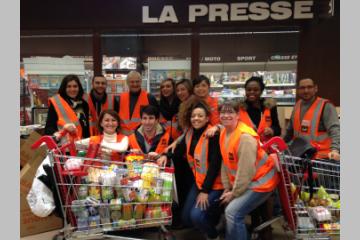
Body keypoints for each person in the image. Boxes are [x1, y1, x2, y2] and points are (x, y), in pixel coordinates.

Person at [217, 100, 279, 240]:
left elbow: (246, 172)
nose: (226, 115)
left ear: (238, 115)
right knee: (230, 212)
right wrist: (227, 188)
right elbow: (225, 162)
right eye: (223, 112)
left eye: (230, 112)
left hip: (262, 182)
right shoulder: (224, 132)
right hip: (250, 181)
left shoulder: (245, 137)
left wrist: (234, 193)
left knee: (233, 213)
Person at [173, 97, 223, 240]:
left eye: (200, 116)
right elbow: (177, 153)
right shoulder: (189, 133)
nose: (196, 119)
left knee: (196, 216)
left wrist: (205, 191)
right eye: (193, 116)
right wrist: (163, 155)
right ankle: (209, 220)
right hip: (199, 182)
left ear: (207, 118)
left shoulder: (213, 135)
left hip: (214, 185)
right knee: (186, 219)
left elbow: (214, 165)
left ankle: (214, 235)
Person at [284, 78, 340, 160]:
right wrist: (281, 143)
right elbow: (290, 131)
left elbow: (335, 130)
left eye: (309, 87)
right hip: (301, 156)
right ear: (298, 90)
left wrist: (335, 150)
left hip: (321, 157)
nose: (306, 90)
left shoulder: (326, 106)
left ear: (315, 88)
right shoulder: (297, 106)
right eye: (302, 88)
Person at [45, 74, 90, 141]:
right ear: (64, 88)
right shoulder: (57, 102)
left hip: (81, 145)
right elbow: (49, 128)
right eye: (69, 86)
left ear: (79, 88)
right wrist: (56, 133)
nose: (72, 89)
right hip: (65, 147)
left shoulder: (84, 103)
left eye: (75, 86)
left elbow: (86, 126)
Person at [115, 71, 159, 136]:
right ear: (127, 83)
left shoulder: (149, 98)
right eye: (132, 82)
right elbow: (115, 118)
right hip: (123, 136)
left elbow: (156, 119)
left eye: (137, 81)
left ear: (141, 82)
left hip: (142, 136)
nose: (135, 84)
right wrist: (120, 130)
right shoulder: (120, 98)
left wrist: (137, 132)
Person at [240, 76, 281, 143]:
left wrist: (272, 130)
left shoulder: (270, 107)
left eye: (256, 90)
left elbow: (278, 129)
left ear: (261, 91)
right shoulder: (239, 108)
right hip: (246, 146)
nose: (252, 92)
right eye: (249, 90)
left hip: (265, 147)